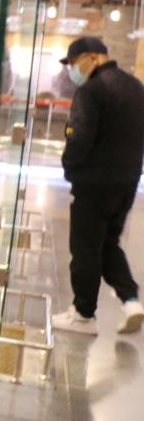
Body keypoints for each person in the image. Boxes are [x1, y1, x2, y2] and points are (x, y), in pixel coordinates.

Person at [51, 36, 144, 336]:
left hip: (93, 183)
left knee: (85, 248)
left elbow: (79, 137)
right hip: (127, 181)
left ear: (92, 58)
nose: (72, 70)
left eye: (73, 63)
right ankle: (130, 301)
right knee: (107, 243)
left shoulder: (91, 90)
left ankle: (83, 313)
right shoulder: (136, 88)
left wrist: (69, 167)